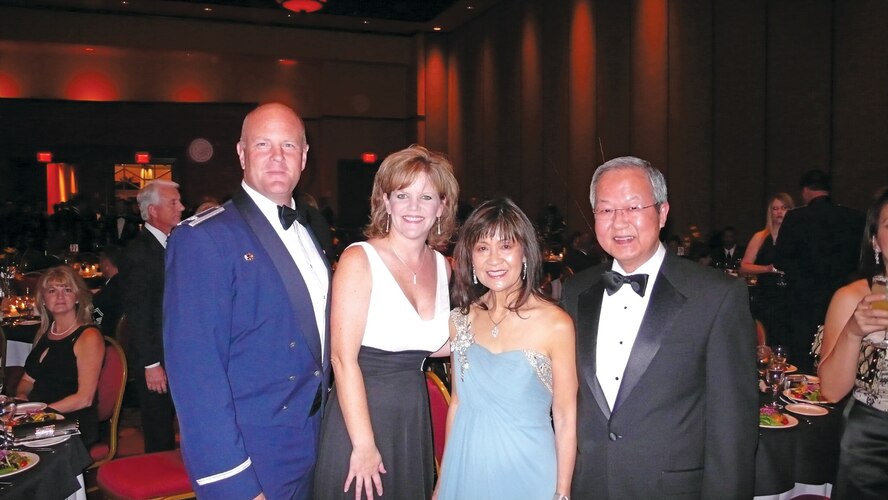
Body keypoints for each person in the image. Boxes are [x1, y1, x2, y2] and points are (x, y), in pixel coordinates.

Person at [561, 156, 757, 499]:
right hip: (590, 486)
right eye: (606, 210)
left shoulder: (716, 295)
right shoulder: (578, 291)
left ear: (663, 213)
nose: (619, 221)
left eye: (633, 206)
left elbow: (733, 429)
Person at [164, 103, 331, 499]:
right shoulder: (203, 239)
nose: (277, 156)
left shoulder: (312, 228)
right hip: (254, 455)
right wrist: (232, 482)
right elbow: (195, 375)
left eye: (289, 145)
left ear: (304, 157)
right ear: (241, 153)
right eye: (263, 144)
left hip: (319, 441)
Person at [314, 145, 458, 500]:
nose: (413, 207)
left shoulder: (443, 267)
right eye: (402, 195)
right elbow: (342, 360)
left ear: (441, 207)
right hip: (361, 415)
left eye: (425, 197)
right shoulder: (359, 259)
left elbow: (437, 342)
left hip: (411, 415)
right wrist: (363, 445)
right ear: (385, 201)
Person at [435, 198, 577, 500]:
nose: (494, 260)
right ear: (470, 258)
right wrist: (442, 482)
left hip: (528, 472)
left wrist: (562, 491)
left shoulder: (556, 324)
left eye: (506, 246)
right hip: (467, 468)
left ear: (524, 252)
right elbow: (457, 404)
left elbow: (565, 415)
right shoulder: (460, 320)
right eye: (483, 248)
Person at [817, 186, 888, 500]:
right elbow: (831, 391)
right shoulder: (853, 297)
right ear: (875, 240)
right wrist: (853, 332)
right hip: (871, 442)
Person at [774, 169, 865, 373]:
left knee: (801, 353)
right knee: (838, 350)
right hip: (841, 297)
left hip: (802, 298)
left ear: (806, 191)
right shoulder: (853, 217)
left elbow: (780, 258)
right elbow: (860, 259)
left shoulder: (797, 217)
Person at [118, 179, 184, 453]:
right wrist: (151, 364)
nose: (181, 207)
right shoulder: (139, 252)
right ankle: (157, 487)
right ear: (153, 211)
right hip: (157, 356)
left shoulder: (177, 242)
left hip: (179, 351)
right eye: (173, 202)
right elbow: (139, 311)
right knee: (158, 428)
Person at [16, 265, 105, 446]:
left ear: (78, 297)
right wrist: (22, 399)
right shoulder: (46, 333)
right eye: (52, 290)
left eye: (67, 290)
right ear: (43, 300)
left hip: (72, 422)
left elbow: (84, 398)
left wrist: (39, 413)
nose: (60, 296)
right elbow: (27, 380)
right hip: (41, 418)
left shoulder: (88, 336)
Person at [740, 193, 795, 346]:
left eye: (784, 208)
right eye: (775, 208)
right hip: (766, 297)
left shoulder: (797, 236)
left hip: (790, 297)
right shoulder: (761, 236)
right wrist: (767, 268)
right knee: (766, 340)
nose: (779, 212)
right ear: (770, 212)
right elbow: (744, 266)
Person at [92, 244, 124, 336]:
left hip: (111, 342)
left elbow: (96, 321)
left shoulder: (104, 296)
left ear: (106, 264)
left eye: (100, 261)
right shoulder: (133, 284)